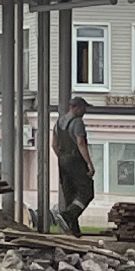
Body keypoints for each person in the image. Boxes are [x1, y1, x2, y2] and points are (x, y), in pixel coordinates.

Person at [51, 96, 96, 236]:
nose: (85, 111)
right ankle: (67, 216)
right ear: (76, 108)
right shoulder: (77, 122)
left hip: (63, 162)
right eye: (83, 108)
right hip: (76, 161)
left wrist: (62, 158)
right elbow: (80, 143)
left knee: (70, 195)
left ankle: (73, 230)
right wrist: (89, 163)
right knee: (86, 192)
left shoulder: (59, 122)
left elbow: (54, 144)